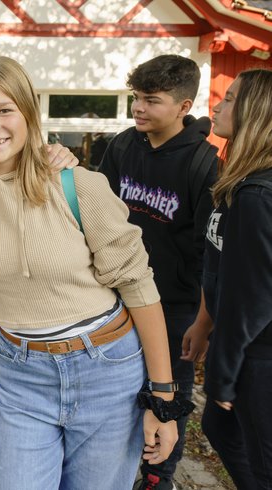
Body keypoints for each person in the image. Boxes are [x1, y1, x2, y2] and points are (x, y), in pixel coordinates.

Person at [0, 55, 181, 490]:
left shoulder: (77, 185)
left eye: (4, 110)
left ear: (28, 115)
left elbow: (140, 289)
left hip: (107, 368)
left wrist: (163, 398)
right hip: (20, 372)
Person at [98, 54, 218, 490]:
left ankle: (156, 478)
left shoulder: (204, 164)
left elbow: (210, 250)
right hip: (116, 296)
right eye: (136, 98)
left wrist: (203, 321)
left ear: (184, 107)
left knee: (169, 395)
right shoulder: (123, 146)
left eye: (152, 100)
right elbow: (97, 215)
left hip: (174, 304)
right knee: (118, 391)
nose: (139, 108)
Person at [195, 69, 272, 489]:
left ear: (257, 112)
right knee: (221, 429)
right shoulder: (238, 184)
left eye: (230, 99)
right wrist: (205, 321)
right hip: (242, 345)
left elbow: (253, 297)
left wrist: (224, 373)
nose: (217, 106)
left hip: (259, 356)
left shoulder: (258, 196)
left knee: (263, 465)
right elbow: (221, 265)